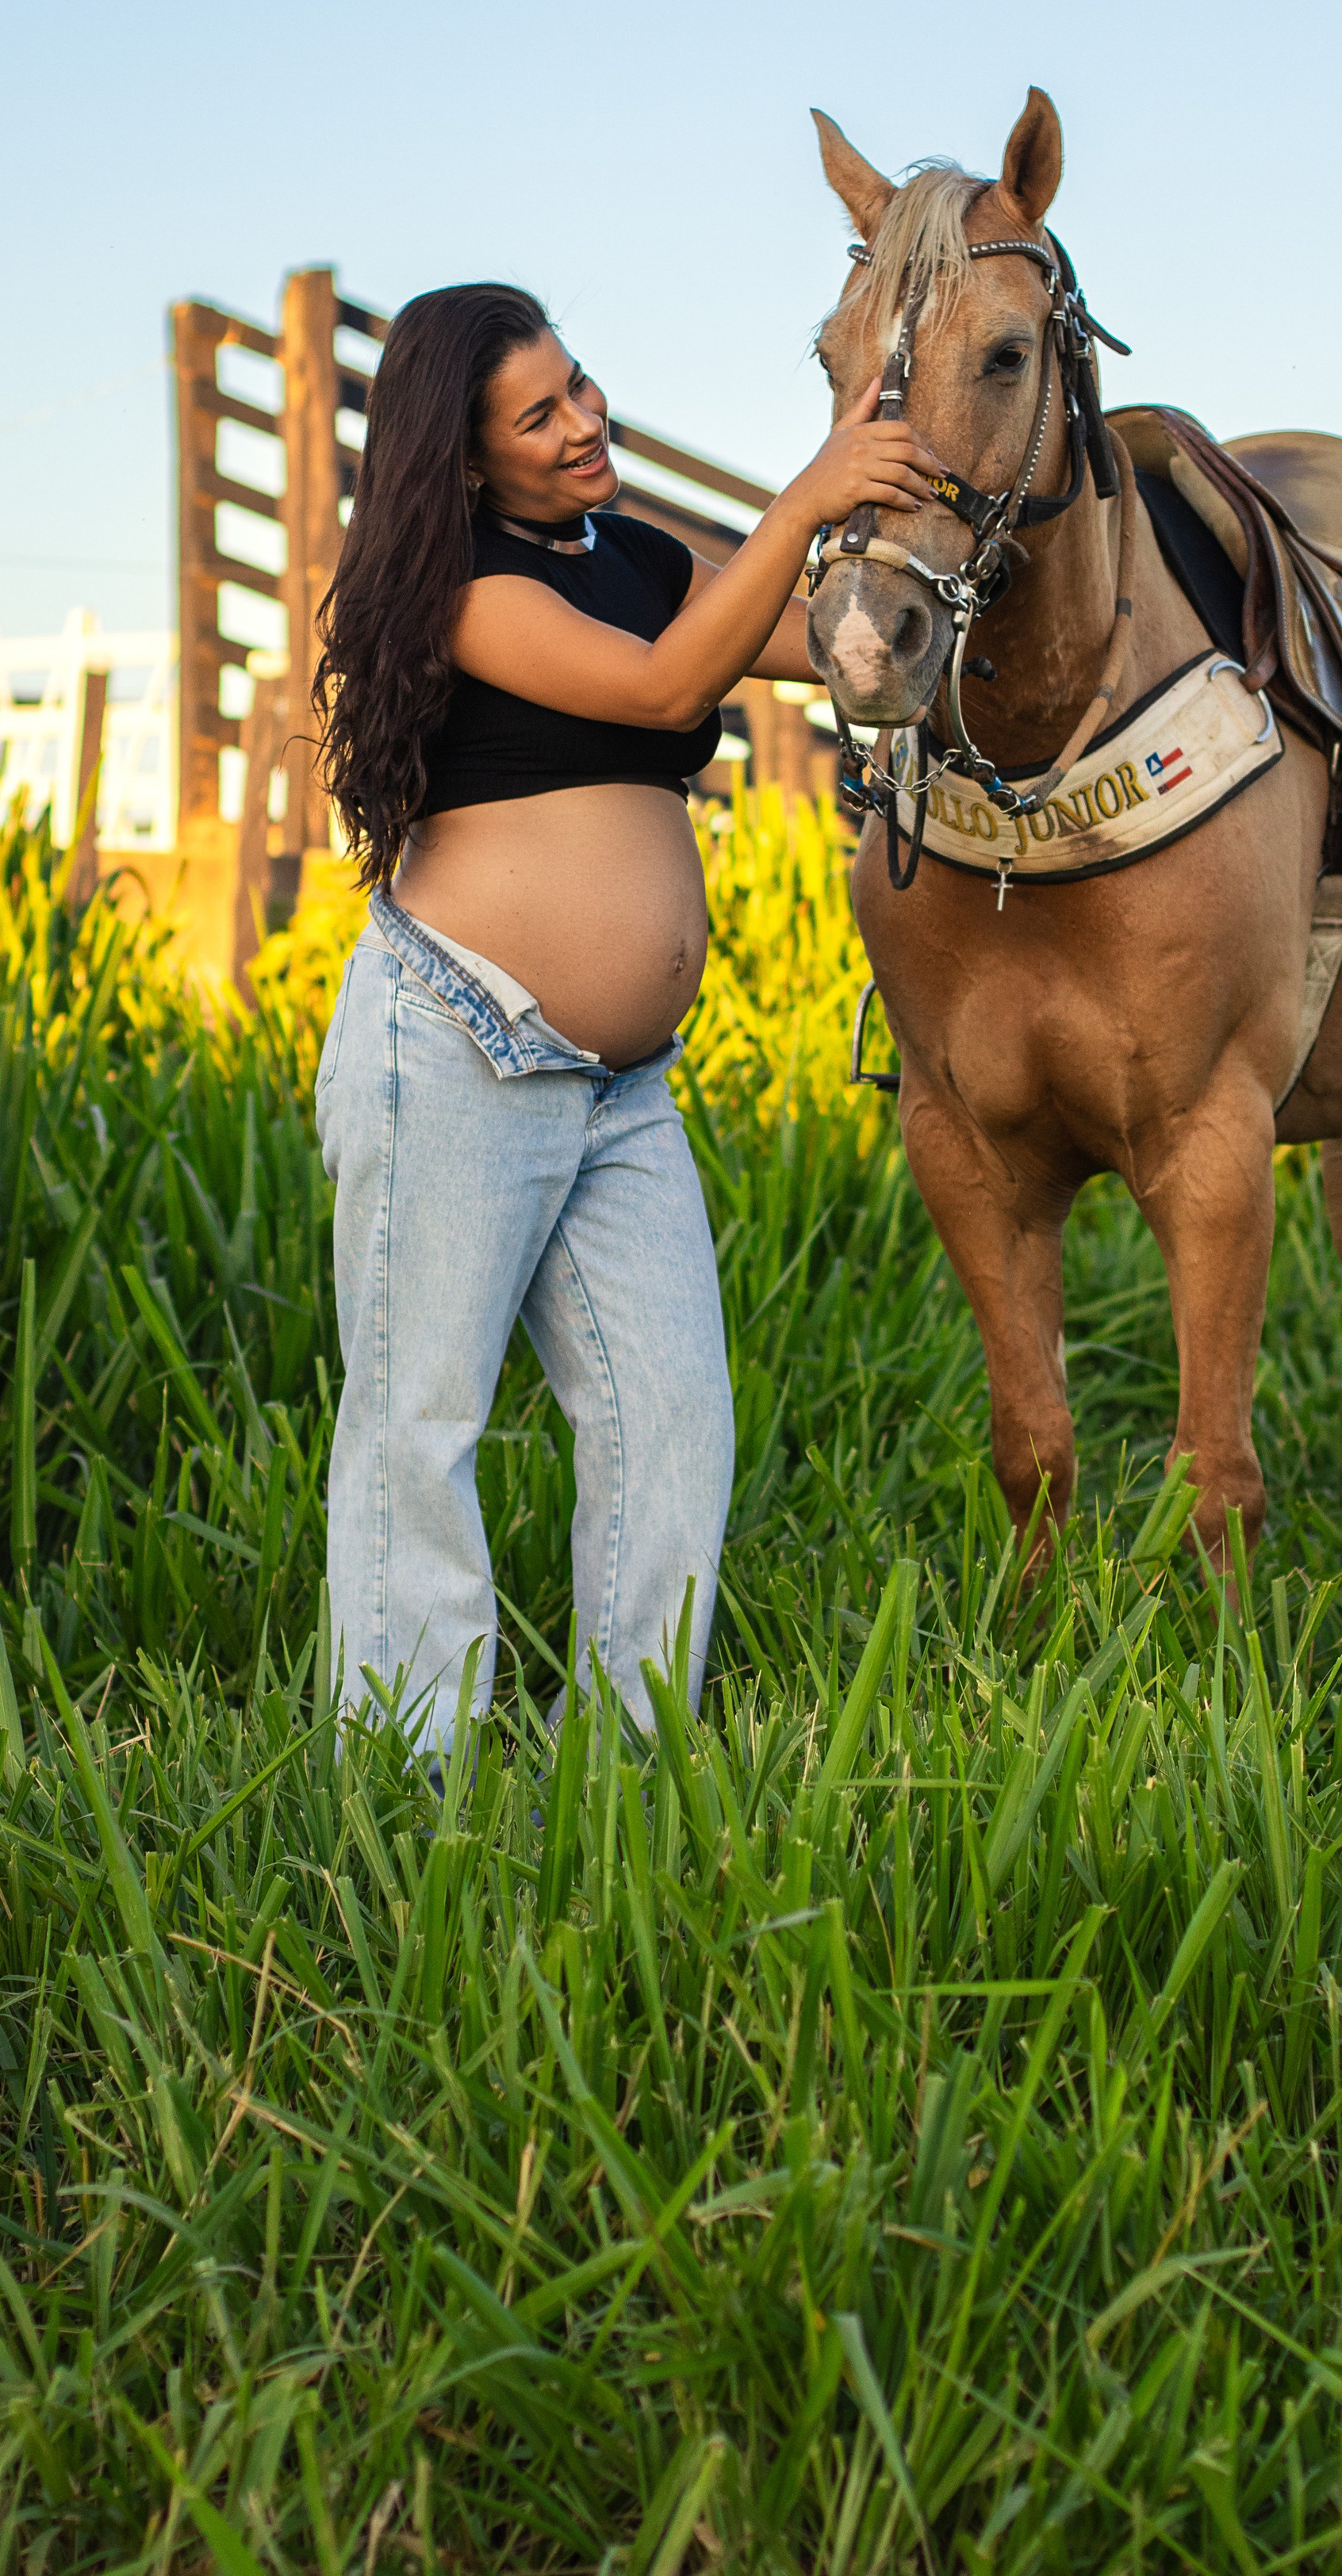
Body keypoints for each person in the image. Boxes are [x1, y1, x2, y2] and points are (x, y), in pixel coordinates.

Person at [311, 281, 937, 1748]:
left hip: (621, 1086)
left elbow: (839, 643)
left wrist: (915, 555)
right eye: (540, 416)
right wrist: (812, 487)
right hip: (459, 1041)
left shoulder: (641, 557)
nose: (585, 422)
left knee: (672, 1421)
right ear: (467, 461)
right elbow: (668, 683)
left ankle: (627, 1757)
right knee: (420, 1425)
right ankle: (411, 1780)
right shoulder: (465, 587)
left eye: (581, 385)